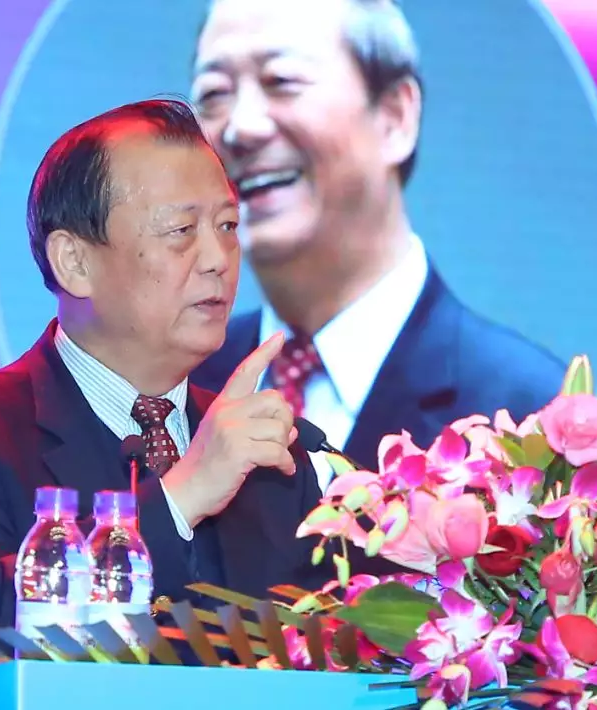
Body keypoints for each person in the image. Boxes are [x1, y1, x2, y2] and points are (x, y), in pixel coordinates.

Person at [0, 100, 328, 676]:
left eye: (228, 227)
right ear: (74, 262)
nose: (219, 259)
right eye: (181, 230)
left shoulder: (276, 454)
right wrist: (181, 497)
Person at [189, 0, 566, 476]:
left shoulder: (530, 418)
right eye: (214, 94)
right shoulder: (169, 388)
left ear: (394, 117)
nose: (241, 127)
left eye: (281, 81)